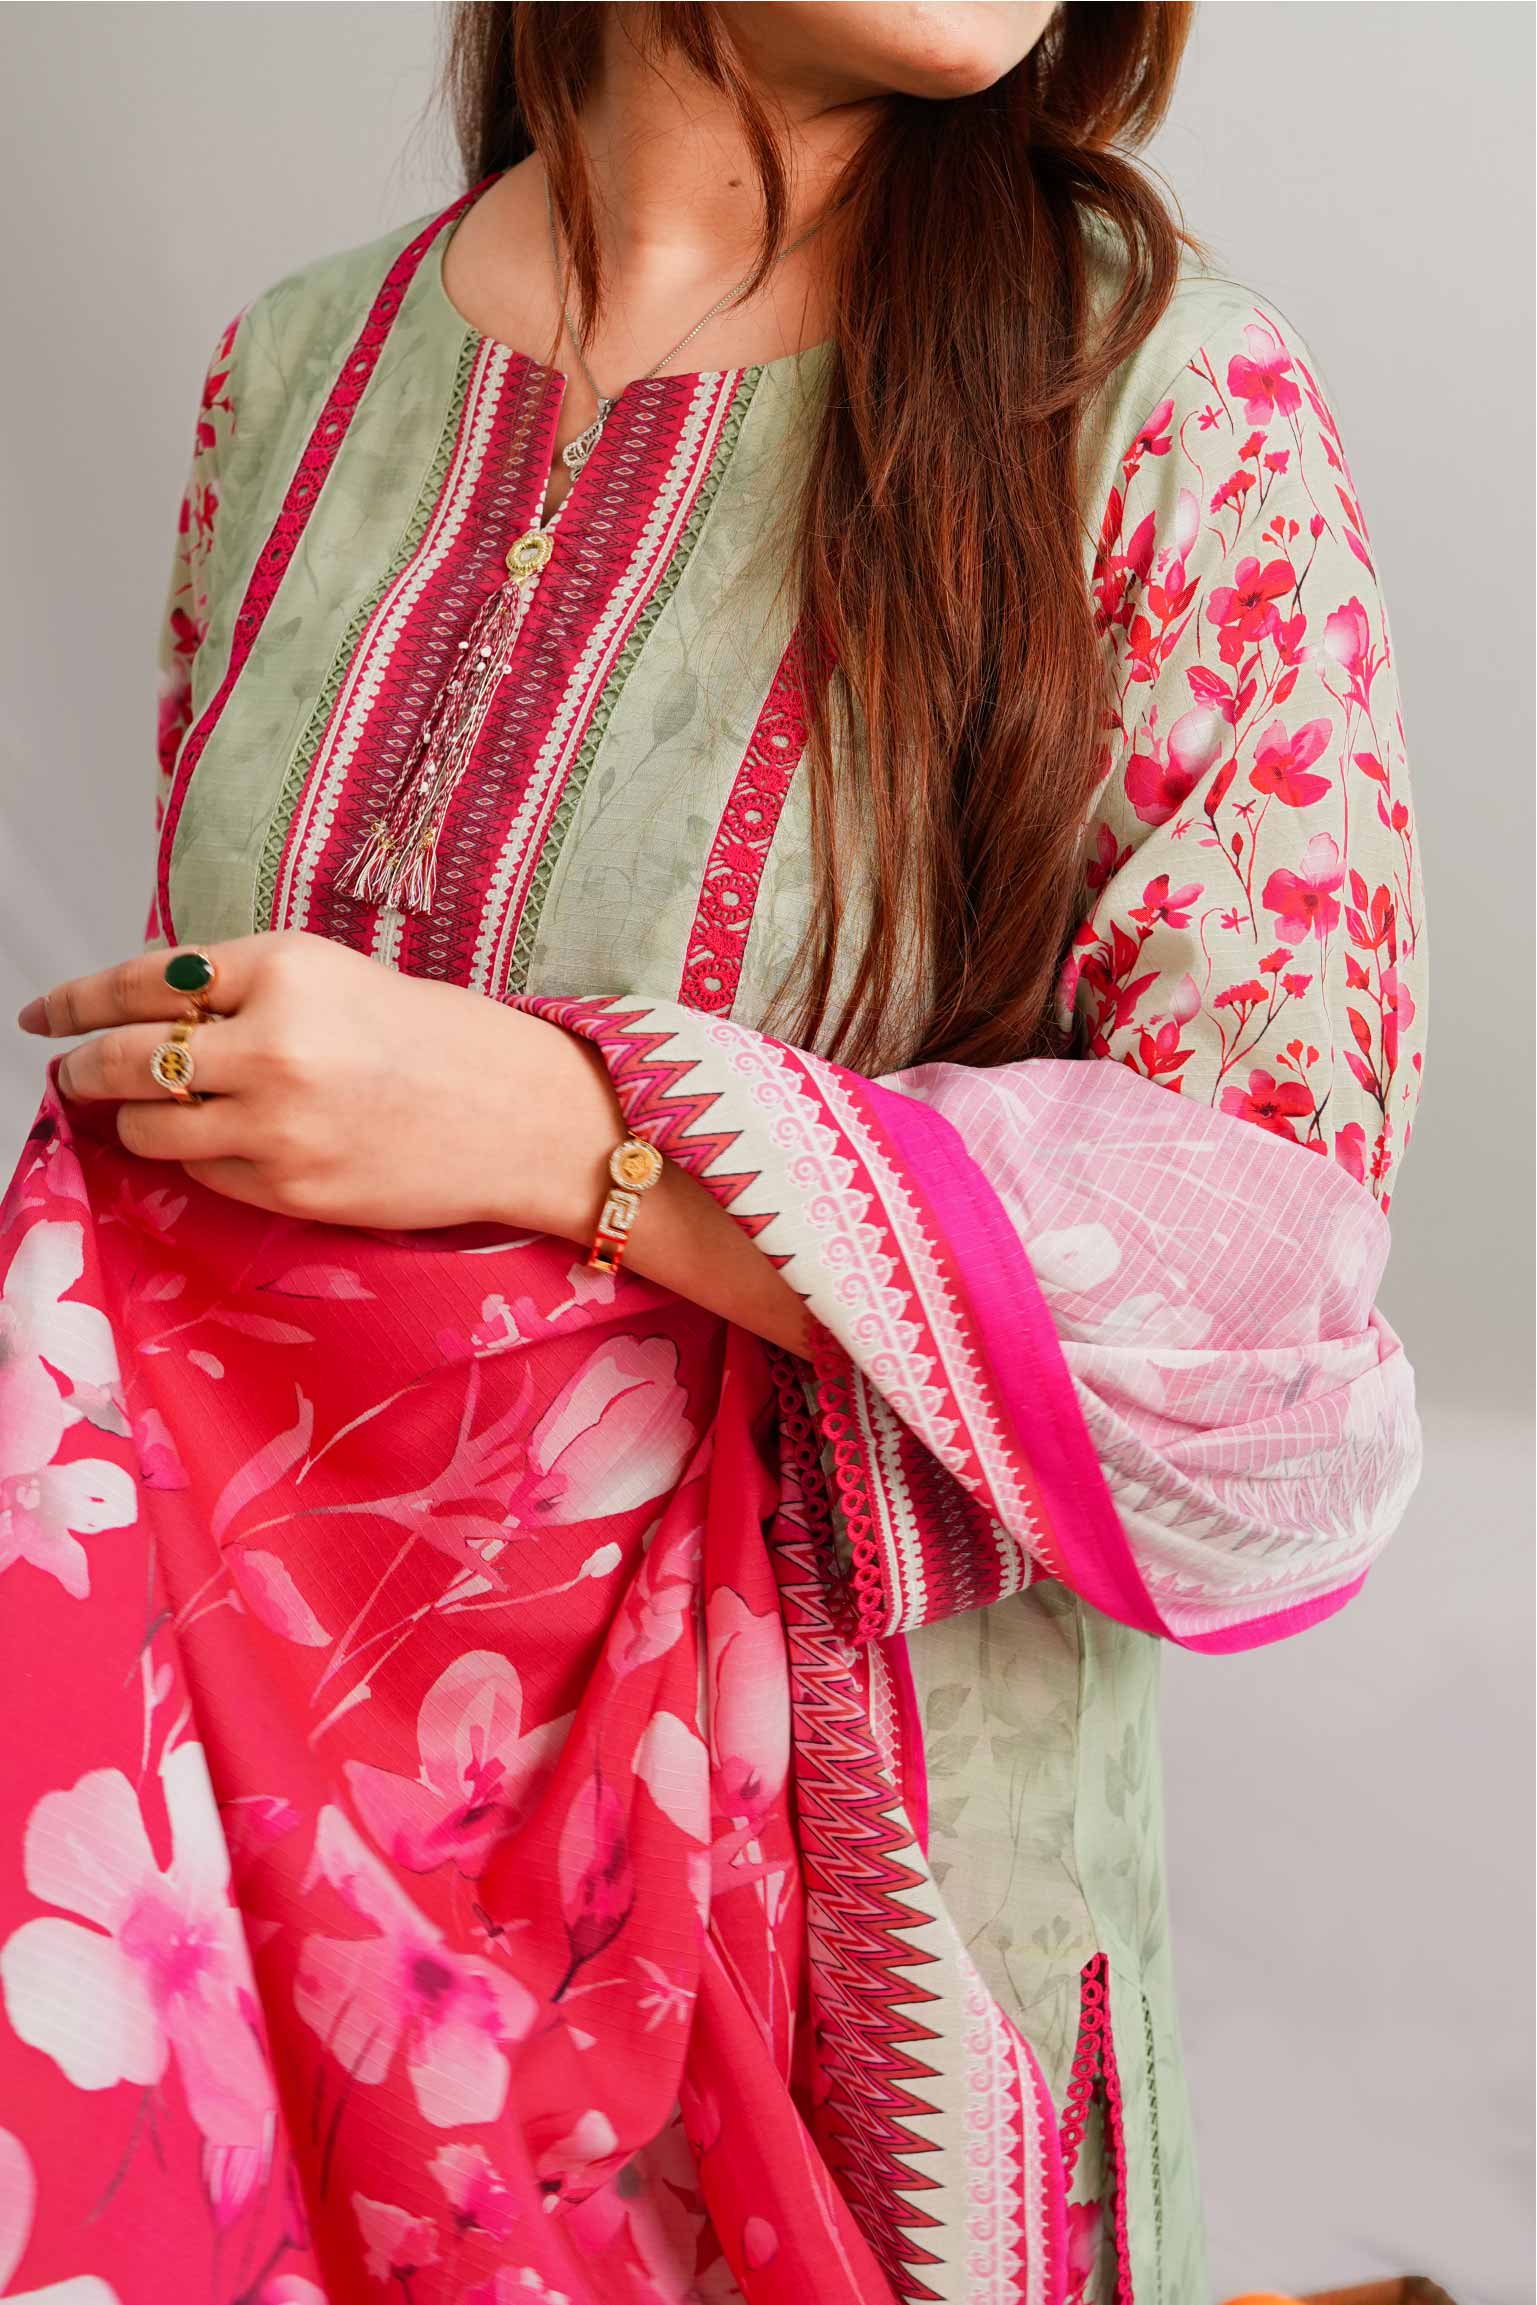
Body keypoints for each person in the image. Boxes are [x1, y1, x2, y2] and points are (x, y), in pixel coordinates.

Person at [0, 6, 1428, 2301]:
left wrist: (589, 1138)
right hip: (294, 1956)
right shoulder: (288, 383)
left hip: (858, 1992)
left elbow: (1278, 1339)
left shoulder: (1162, 402)